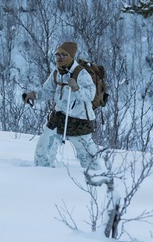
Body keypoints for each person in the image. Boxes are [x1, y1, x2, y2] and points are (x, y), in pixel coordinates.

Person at [22, 41, 101, 171]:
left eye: (64, 54)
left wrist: (77, 88)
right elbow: (47, 91)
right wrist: (34, 95)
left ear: (71, 56)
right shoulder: (56, 72)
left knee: (87, 155)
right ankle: (42, 174)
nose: (60, 57)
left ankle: (97, 177)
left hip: (79, 119)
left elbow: (91, 95)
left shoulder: (81, 73)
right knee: (44, 147)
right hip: (59, 116)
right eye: (57, 54)